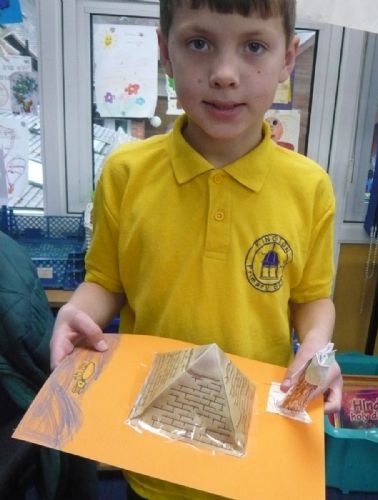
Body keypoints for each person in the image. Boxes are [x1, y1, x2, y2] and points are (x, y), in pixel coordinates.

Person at [50, 1, 342, 498]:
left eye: (254, 46)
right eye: (199, 43)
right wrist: (78, 312)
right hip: (153, 444)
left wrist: (315, 344)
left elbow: (312, 297)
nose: (225, 73)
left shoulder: (310, 187)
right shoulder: (126, 173)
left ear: (288, 58)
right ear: (166, 52)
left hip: (257, 445)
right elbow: (106, 281)